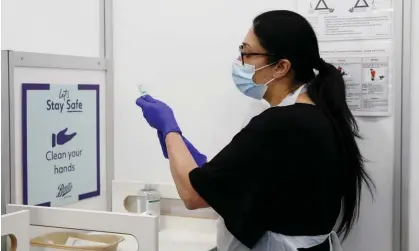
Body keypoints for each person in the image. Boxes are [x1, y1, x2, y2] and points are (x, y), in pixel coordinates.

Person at [136, 10, 374, 251]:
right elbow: (264, 190)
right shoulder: (317, 115)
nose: (239, 62)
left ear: (281, 66)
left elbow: (192, 195)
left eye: (247, 53)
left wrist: (169, 128)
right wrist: (197, 163)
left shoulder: (280, 123)